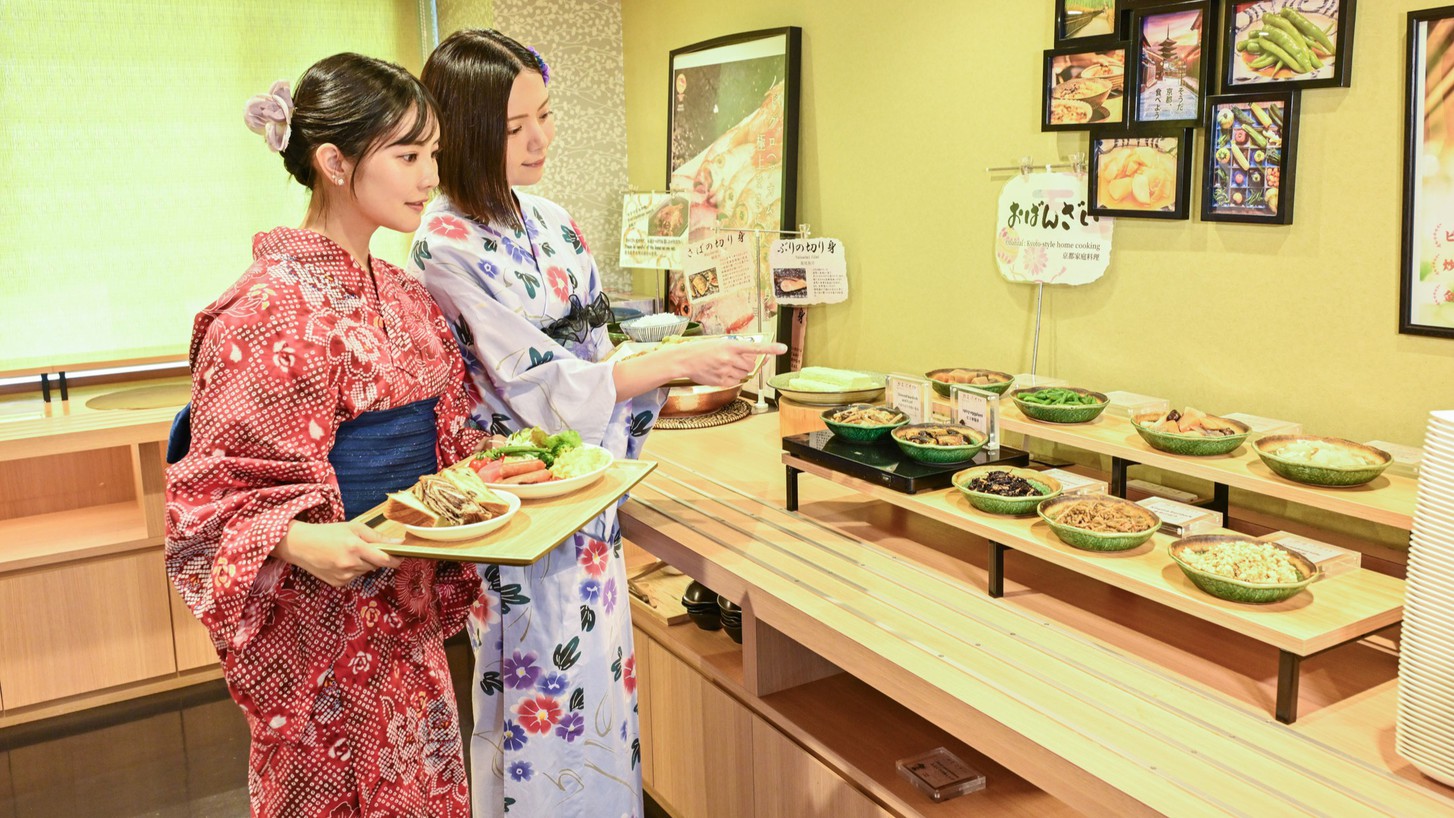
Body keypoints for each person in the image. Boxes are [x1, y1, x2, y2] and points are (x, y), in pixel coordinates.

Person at [411, 29, 784, 817]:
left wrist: (687, 338)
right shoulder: (441, 245)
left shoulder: (550, 217)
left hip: (591, 492)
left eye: (544, 115)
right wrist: (676, 366)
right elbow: (535, 383)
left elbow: (599, 343)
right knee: (533, 694)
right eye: (514, 129)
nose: (539, 138)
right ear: (466, 132)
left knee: (601, 679)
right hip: (523, 505)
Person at [165, 53, 482, 817]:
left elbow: (453, 437)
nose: (427, 176)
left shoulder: (406, 296)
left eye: (431, 154)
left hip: (401, 593)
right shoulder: (263, 308)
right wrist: (304, 542)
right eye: (407, 156)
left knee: (422, 780)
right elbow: (206, 496)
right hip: (318, 616)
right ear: (334, 162)